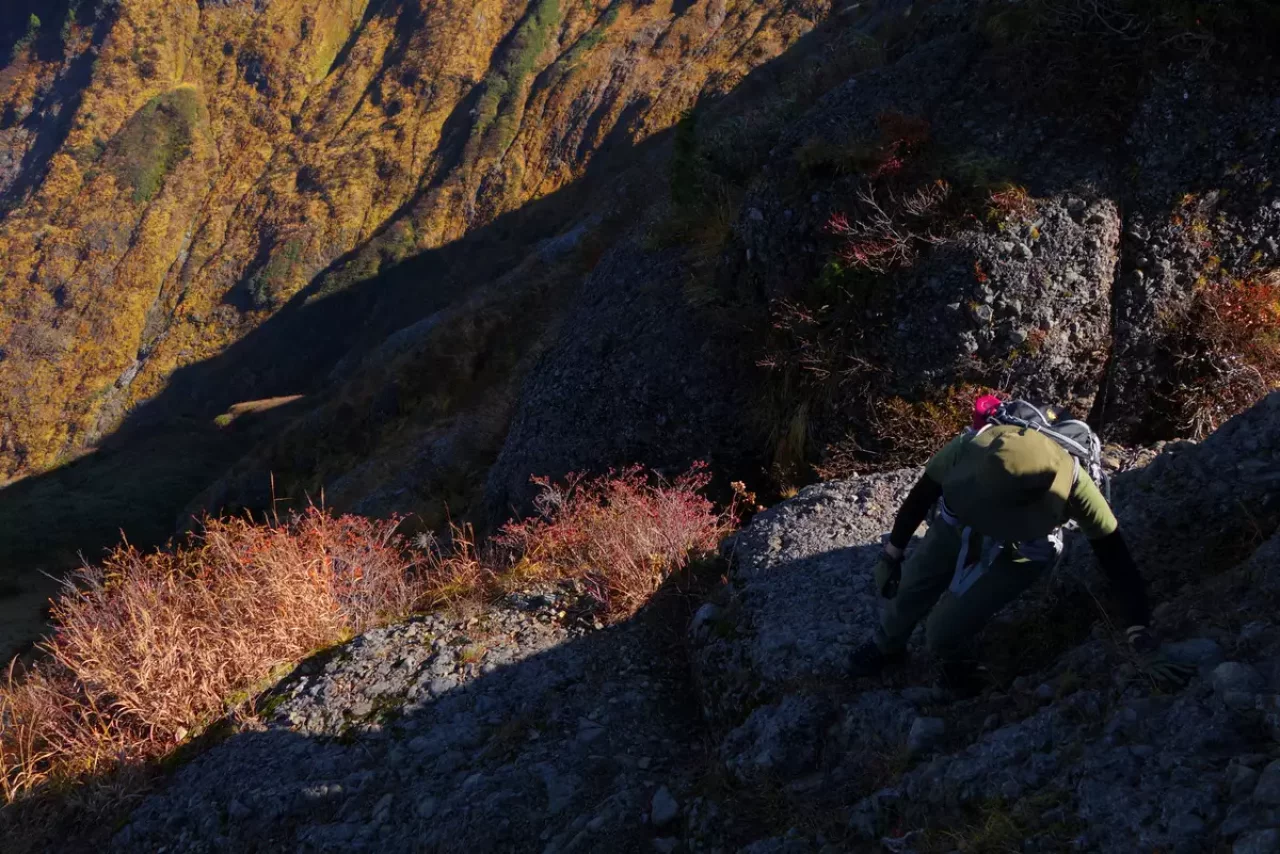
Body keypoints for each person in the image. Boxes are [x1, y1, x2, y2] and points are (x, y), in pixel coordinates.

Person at [848, 415, 1188, 694]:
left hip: (1021, 551)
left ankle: (959, 667)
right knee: (912, 585)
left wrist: (1140, 633)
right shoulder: (968, 448)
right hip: (961, 525)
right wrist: (892, 556)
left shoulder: (1074, 484)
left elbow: (1117, 559)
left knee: (942, 631)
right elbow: (919, 499)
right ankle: (887, 646)